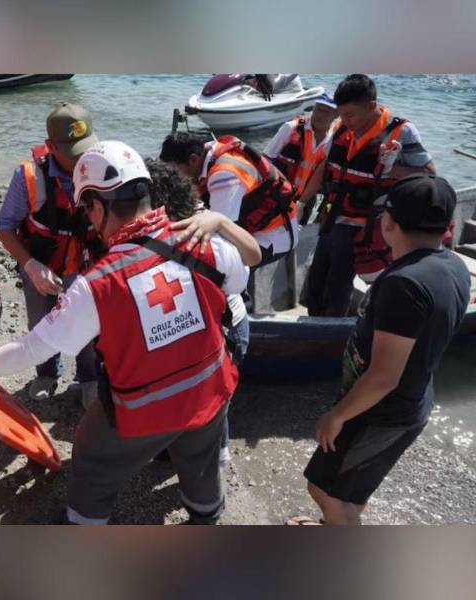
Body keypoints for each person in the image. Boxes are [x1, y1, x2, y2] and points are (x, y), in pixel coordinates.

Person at [0, 141, 258, 524]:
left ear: (97, 207)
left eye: (87, 208)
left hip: (143, 407)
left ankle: (83, 524)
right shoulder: (204, 243)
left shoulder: (97, 285)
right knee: (200, 454)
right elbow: (240, 278)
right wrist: (219, 222)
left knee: (92, 458)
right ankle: (206, 516)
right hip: (209, 389)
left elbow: (34, 347)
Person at [289, 175, 469, 526]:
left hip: (381, 413)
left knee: (324, 489)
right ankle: (337, 525)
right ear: (448, 226)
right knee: (351, 486)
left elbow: (384, 377)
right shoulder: (453, 266)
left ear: (387, 223)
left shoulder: (404, 284)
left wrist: (336, 416)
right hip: (411, 400)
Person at [145, 158, 256, 466]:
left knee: (215, 397)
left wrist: (219, 220)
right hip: (187, 326)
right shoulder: (160, 231)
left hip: (221, 328)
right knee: (186, 394)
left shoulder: (206, 233)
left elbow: (249, 261)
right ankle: (176, 447)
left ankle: (217, 454)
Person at [301, 74, 435, 316]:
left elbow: (429, 175)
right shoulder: (343, 128)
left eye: (350, 114)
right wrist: (300, 203)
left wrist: (391, 168)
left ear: (372, 106)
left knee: (339, 282)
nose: (344, 120)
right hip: (332, 218)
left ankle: (333, 332)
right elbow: (326, 167)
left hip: (366, 226)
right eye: (341, 114)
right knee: (317, 278)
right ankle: (315, 323)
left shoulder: (401, 132)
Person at [0, 103, 99, 407]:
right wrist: (30, 265)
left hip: (85, 261)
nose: (81, 158)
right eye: (72, 152)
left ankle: (89, 377)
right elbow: (5, 226)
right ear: (51, 146)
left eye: (85, 148)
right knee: (41, 321)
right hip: (43, 262)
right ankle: (47, 373)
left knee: (89, 320)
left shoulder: (101, 165)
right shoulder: (28, 176)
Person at [159, 131, 297, 266]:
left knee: (214, 265)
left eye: (175, 170)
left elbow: (221, 230)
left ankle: (239, 290)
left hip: (272, 236)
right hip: (264, 224)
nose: (173, 177)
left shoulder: (224, 176)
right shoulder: (209, 150)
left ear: (193, 159)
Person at [264, 91, 338, 212]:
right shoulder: (290, 128)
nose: (320, 115)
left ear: (336, 115)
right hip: (278, 193)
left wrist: (302, 204)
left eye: (326, 112)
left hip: (306, 200)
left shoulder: (334, 140)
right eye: (318, 109)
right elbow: (265, 159)